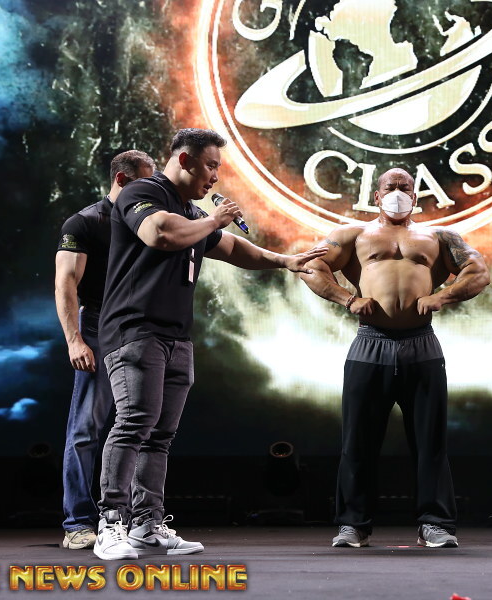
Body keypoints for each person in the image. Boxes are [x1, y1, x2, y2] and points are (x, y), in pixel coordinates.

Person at [94, 128, 327, 560]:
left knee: (160, 435)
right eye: (211, 166)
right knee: (134, 422)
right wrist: (213, 220)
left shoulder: (190, 211)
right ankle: (110, 523)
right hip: (134, 330)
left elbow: (233, 248)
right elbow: (159, 234)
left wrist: (285, 261)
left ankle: (146, 524)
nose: (216, 177)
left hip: (176, 336)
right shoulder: (143, 192)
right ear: (184, 160)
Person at [299, 167, 490, 549]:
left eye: (405, 187)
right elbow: (309, 264)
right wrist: (347, 299)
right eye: (391, 187)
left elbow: (479, 271)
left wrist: (443, 296)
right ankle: (353, 525)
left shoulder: (439, 237)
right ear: (376, 195)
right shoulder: (352, 235)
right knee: (358, 441)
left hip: (421, 344)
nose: (398, 192)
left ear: (415, 197)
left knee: (430, 441)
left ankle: (435, 524)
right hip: (370, 343)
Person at [54, 150, 156, 550]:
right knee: (86, 428)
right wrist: (74, 339)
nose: (152, 192)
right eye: (144, 183)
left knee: (142, 427)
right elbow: (65, 282)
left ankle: (138, 521)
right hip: (97, 327)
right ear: (122, 180)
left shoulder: (147, 220)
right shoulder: (84, 222)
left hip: (141, 329)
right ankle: (78, 523)